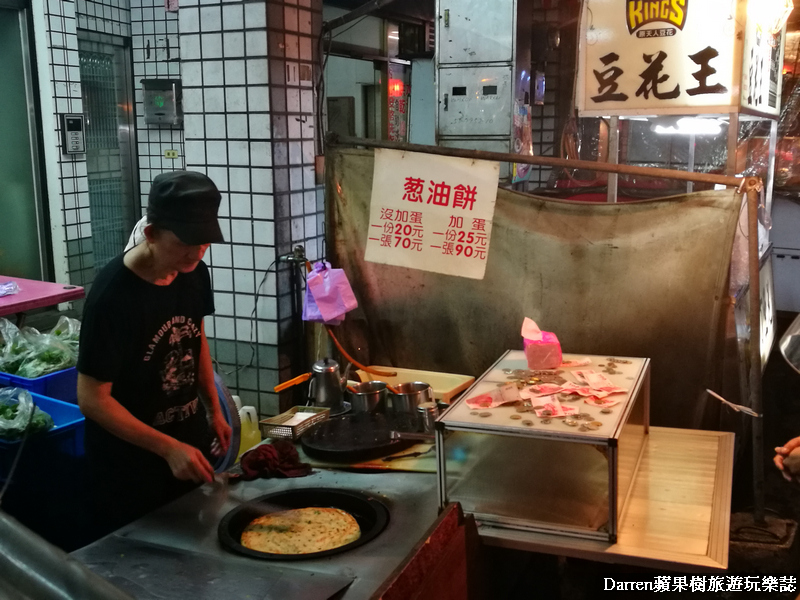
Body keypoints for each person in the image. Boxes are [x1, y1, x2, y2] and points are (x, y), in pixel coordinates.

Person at [77, 170, 232, 537]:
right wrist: (167, 448)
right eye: (186, 242)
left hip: (187, 445)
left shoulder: (194, 272)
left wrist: (214, 406)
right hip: (131, 466)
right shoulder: (112, 297)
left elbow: (195, 340)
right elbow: (91, 400)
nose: (197, 252)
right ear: (151, 234)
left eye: (205, 242)